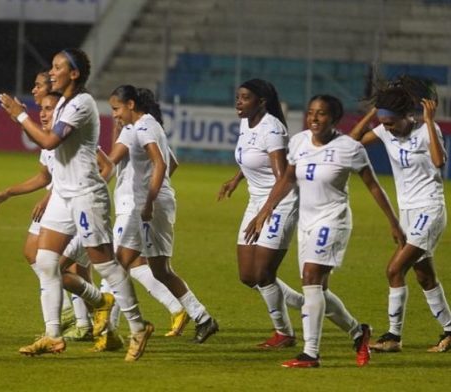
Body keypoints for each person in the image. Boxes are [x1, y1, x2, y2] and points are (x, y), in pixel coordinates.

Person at [0, 48, 154, 362]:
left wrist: (20, 115)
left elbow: (49, 142)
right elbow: (47, 145)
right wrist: (25, 119)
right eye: (52, 66)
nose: (51, 71)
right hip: (63, 195)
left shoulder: (81, 104)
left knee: (106, 265)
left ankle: (139, 327)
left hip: (86, 195)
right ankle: (53, 335)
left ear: (73, 74)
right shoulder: (64, 105)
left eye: (57, 67)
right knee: (45, 260)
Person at [245, 94, 406, 368]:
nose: (314, 118)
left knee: (310, 278)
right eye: (310, 113)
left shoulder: (349, 148)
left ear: (334, 118)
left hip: (333, 221)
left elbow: (374, 186)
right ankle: (358, 332)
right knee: (316, 289)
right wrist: (265, 211)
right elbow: (286, 178)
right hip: (306, 222)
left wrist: (393, 222)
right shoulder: (299, 142)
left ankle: (311, 353)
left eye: (321, 113)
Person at [0, 90, 113, 342]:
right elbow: (46, 176)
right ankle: (86, 320)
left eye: (48, 107)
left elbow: (106, 166)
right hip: (61, 208)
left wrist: (88, 194)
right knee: (44, 260)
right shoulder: (48, 141)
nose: (42, 111)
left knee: (64, 267)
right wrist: (9, 192)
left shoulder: (72, 133)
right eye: (40, 108)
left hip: (80, 207)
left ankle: (97, 317)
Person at [107, 85, 219, 344]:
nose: (114, 114)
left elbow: (161, 163)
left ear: (131, 105)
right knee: (156, 269)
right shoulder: (146, 125)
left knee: (121, 263)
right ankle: (203, 318)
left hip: (149, 207)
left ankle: (110, 327)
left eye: (116, 109)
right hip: (149, 204)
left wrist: (150, 199)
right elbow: (171, 163)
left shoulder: (144, 127)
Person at [349, 75, 451, 353]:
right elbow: (352, 141)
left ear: (408, 116)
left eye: (391, 122)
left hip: (429, 209)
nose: (388, 129)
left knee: (394, 269)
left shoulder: (424, 131)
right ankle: (450, 330)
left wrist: (430, 122)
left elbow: (440, 162)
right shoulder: (384, 129)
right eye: (384, 123)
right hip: (407, 212)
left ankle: (393, 336)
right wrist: (375, 110)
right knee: (425, 277)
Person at [217, 79, 304, 348]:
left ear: (261, 102)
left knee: (263, 273)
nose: (238, 103)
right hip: (257, 201)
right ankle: (306, 303)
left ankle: (284, 333)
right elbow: (253, 157)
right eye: (238, 97)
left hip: (281, 201)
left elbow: (283, 177)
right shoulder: (247, 123)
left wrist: (266, 211)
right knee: (248, 275)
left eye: (244, 98)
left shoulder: (272, 129)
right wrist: (236, 178)